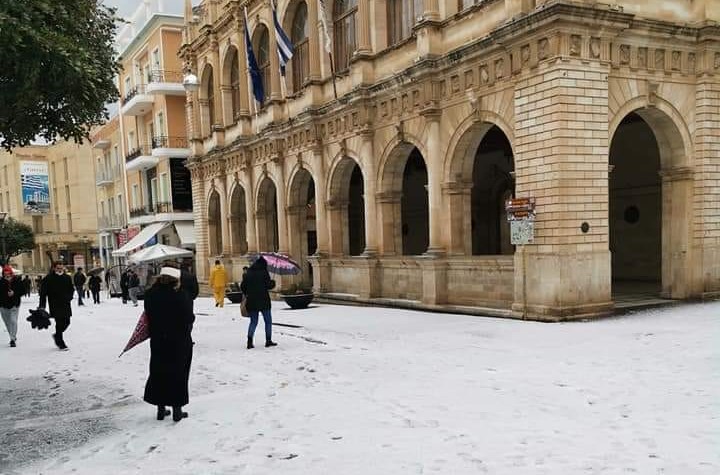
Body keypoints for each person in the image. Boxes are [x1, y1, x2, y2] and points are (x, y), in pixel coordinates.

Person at [143, 267, 194, 422]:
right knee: (178, 373)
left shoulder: (150, 295)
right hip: (179, 341)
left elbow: (148, 316)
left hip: (158, 340)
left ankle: (160, 409)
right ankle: (177, 410)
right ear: (176, 280)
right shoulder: (181, 295)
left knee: (159, 372)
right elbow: (189, 318)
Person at [240, 257, 277, 349]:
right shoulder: (264, 272)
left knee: (253, 322)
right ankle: (268, 340)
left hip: (251, 301)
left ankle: (249, 342)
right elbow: (268, 285)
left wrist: (248, 293)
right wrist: (272, 283)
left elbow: (243, 287)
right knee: (268, 321)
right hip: (264, 300)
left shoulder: (248, 273)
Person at [39, 261, 75, 350]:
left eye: (61, 268)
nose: (60, 270)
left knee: (67, 322)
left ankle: (57, 335)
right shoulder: (48, 278)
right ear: (54, 268)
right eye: (58, 268)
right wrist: (42, 305)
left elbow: (71, 289)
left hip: (66, 303)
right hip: (54, 304)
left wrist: (70, 297)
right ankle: (60, 342)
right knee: (59, 322)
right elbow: (43, 293)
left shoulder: (67, 277)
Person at [0, 266, 24, 347]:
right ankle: (12, 334)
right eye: (5, 273)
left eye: (8, 273)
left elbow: (22, 291)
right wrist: (5, 294)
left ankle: (12, 339)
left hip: (14, 304)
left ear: (11, 273)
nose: (7, 274)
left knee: (13, 321)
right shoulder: (1, 282)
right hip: (3, 305)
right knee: (7, 323)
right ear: (3, 274)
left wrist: (14, 293)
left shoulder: (17, 281)